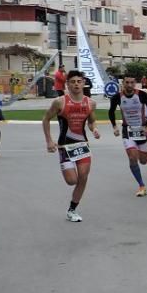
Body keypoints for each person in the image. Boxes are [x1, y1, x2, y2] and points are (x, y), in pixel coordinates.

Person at [42, 70, 101, 222]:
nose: (76, 84)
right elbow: (46, 119)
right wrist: (49, 140)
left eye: (79, 81)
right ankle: (72, 207)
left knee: (83, 177)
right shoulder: (60, 102)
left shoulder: (90, 103)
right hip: (65, 147)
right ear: (67, 84)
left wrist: (94, 129)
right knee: (72, 180)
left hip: (82, 146)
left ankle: (72, 209)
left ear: (83, 83)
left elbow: (91, 121)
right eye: (72, 81)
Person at [108, 74, 147, 196]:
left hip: (142, 130)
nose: (129, 85)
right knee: (133, 158)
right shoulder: (117, 97)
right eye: (127, 82)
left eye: (132, 82)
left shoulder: (142, 95)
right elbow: (111, 112)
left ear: (135, 83)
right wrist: (114, 127)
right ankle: (141, 185)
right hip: (127, 130)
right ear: (123, 83)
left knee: (143, 161)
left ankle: (146, 151)